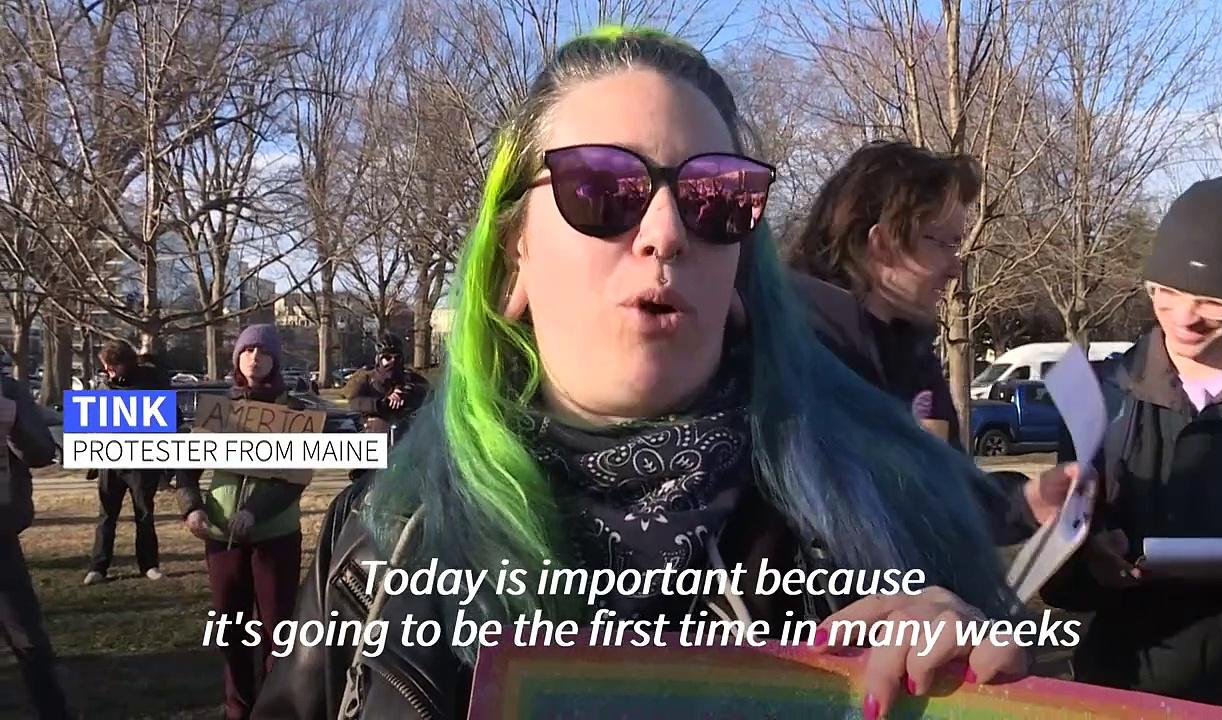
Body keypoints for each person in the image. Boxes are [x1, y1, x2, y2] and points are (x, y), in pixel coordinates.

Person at [253, 27, 1032, 720]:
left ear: (739, 273)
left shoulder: (882, 528)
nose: (665, 233)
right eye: (600, 188)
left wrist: (974, 696)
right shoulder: (383, 536)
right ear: (512, 256)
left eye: (715, 197)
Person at [1041, 176, 1222, 714]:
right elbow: (1061, 579)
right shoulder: (1095, 395)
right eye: (1164, 294)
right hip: (1127, 688)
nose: (1183, 318)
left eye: (1213, 302)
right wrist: (1086, 562)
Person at [787, 141, 1056, 545]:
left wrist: (1028, 502)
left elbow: (947, 498)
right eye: (944, 242)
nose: (955, 267)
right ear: (881, 243)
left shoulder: (912, 356)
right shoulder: (794, 358)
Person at [176, 324, 306, 720]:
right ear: (237, 359)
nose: (254, 357)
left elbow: (294, 478)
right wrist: (192, 507)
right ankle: (238, 708)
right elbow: (186, 468)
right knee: (231, 628)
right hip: (220, 536)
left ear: (274, 360)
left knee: (276, 631)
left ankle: (274, 705)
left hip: (275, 535)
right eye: (247, 351)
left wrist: (255, 512)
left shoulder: (295, 411)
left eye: (263, 352)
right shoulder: (219, 409)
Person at [0, 374, 70, 718]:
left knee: (28, 639)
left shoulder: (8, 391)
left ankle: (54, 712)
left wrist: (13, 424)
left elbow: (43, 452)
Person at [84, 339, 171, 585]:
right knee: (106, 515)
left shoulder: (151, 384)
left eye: (112, 367)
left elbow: (168, 421)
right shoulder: (105, 386)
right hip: (110, 461)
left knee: (144, 514)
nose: (108, 372)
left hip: (142, 462)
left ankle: (149, 565)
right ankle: (98, 567)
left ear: (124, 364)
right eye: (106, 368)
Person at [346, 332, 431, 437]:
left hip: (406, 434)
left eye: (397, 358)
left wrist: (406, 392)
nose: (393, 361)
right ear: (378, 360)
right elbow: (353, 401)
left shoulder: (408, 377)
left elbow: (428, 391)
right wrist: (381, 404)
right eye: (387, 358)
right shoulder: (366, 378)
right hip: (373, 433)